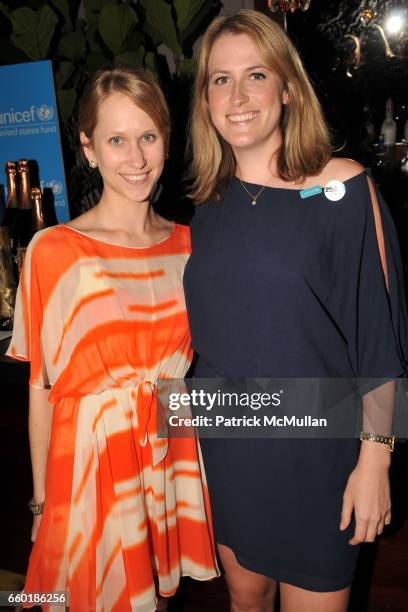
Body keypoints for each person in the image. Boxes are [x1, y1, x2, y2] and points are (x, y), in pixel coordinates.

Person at [184, 9, 408, 612]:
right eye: (219, 79)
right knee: (245, 601)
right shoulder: (207, 206)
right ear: (204, 98)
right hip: (230, 448)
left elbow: (380, 339)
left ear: (286, 86)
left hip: (320, 458)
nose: (237, 96)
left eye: (255, 75)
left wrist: (376, 456)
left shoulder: (346, 189)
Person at [7, 66, 218, 611]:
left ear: (167, 143)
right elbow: (40, 387)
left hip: (167, 455)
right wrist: (41, 504)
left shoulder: (195, 246)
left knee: (155, 596)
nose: (137, 158)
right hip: (90, 464)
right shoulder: (54, 250)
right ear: (89, 148)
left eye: (148, 137)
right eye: (117, 141)